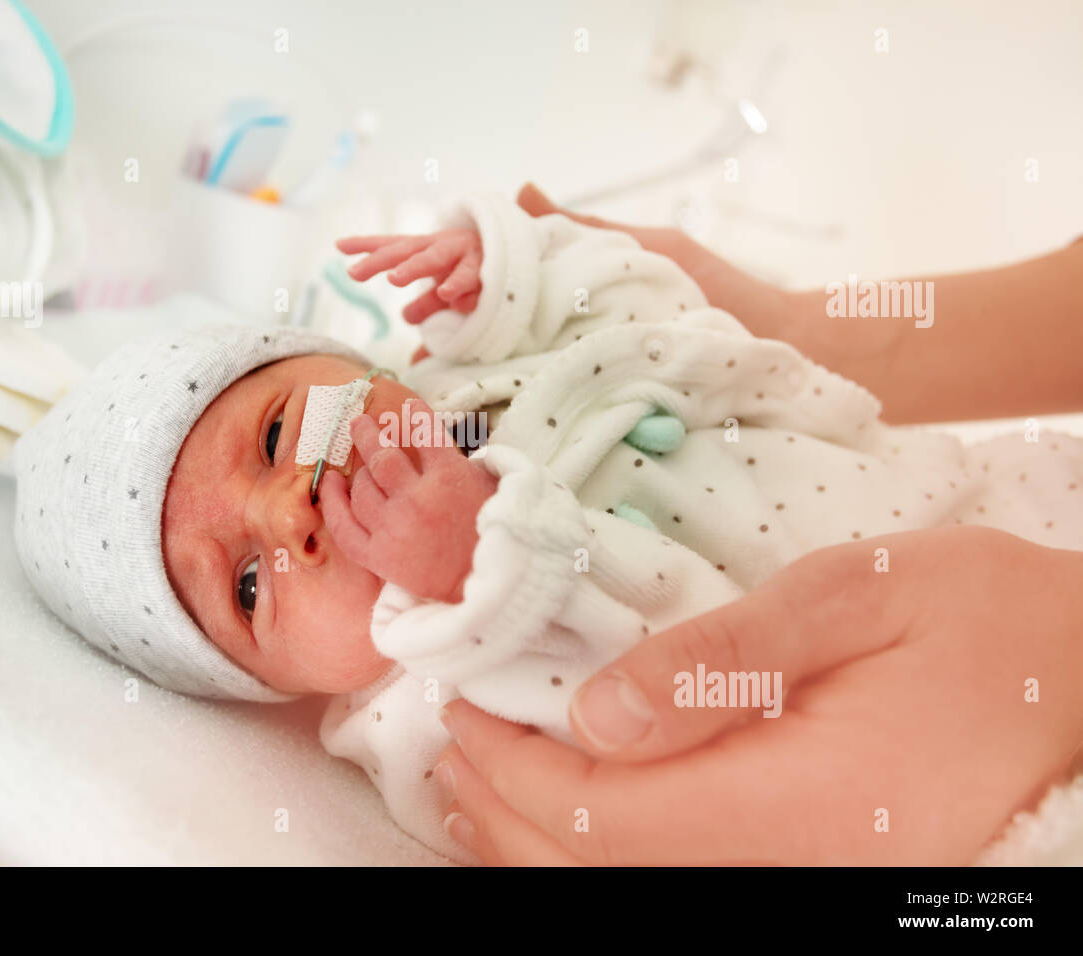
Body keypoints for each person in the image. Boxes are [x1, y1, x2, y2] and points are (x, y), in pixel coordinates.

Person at [426, 185, 1083, 865]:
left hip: (989, 511)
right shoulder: (412, 679)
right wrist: (787, 329)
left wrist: (506, 278)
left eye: (309, 412)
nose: (311, 494)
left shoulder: (479, 390)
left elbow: (595, 292)